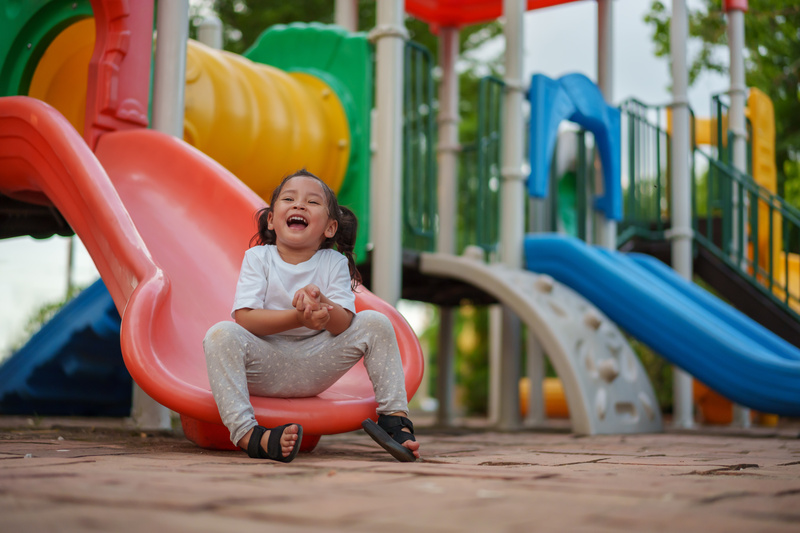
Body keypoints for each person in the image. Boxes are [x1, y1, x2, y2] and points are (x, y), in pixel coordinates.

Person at [203, 169, 421, 463]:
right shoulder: (258, 258)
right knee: (220, 334)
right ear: (271, 219)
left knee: (376, 322)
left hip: (317, 365)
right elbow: (246, 318)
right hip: (263, 366)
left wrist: (322, 306)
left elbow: (343, 324)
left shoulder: (333, 262)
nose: (299, 205)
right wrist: (298, 318)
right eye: (289, 199)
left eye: (312, 202)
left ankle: (394, 421)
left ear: (330, 228)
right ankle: (249, 434)